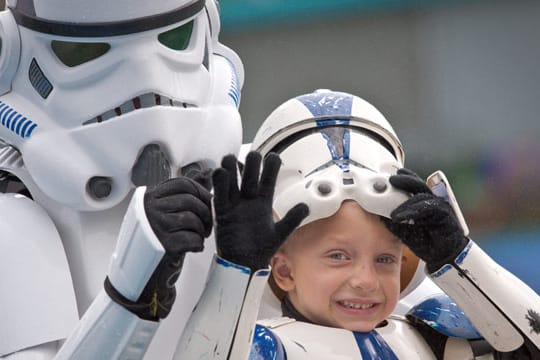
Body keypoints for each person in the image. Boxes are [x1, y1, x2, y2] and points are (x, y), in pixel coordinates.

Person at [180, 89, 540, 359]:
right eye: (338, 256)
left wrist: (459, 256)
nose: (366, 281)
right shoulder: (260, 347)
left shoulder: (436, 335)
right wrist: (237, 272)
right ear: (283, 270)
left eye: (385, 259)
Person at [0, 0, 244, 359]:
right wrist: (133, 291)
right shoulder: (15, 224)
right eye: (87, 53)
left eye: (174, 39)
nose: (149, 79)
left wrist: (241, 273)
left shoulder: (245, 188)